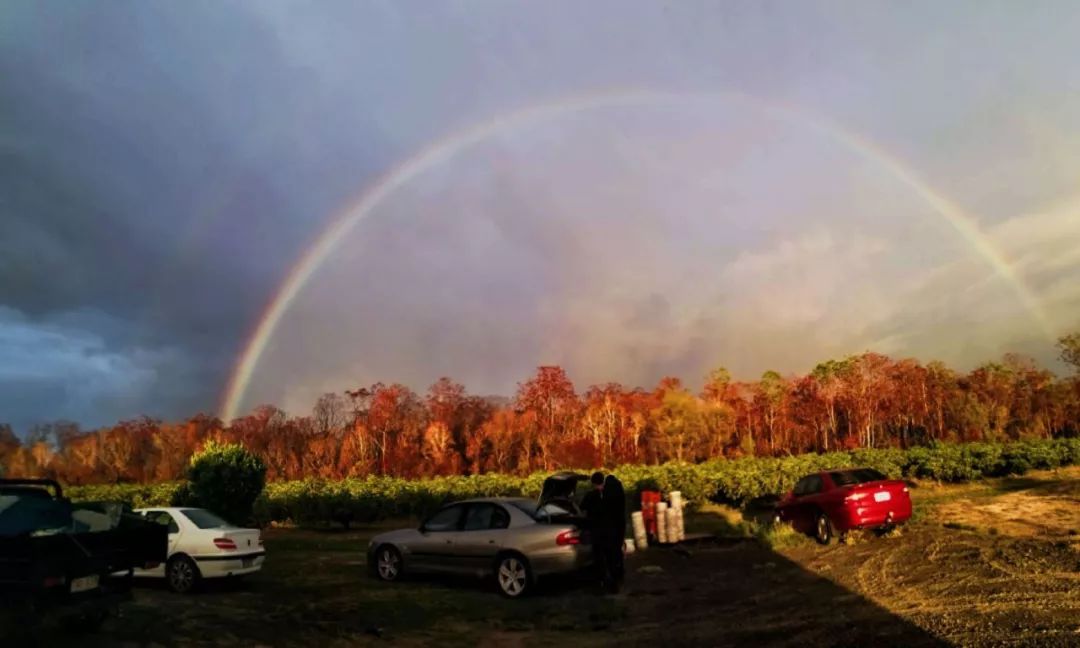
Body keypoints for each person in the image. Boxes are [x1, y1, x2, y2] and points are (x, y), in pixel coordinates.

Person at [581, 471, 609, 590]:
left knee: (597, 556)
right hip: (608, 529)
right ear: (603, 481)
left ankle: (599, 582)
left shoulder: (589, 495)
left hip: (595, 530)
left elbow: (582, 508)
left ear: (593, 483)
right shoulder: (609, 495)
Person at [602, 474, 626, 592]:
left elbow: (604, 508)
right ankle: (620, 570)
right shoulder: (619, 492)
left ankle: (614, 576)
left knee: (611, 551)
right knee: (618, 547)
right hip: (620, 522)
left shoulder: (606, 494)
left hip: (610, 524)